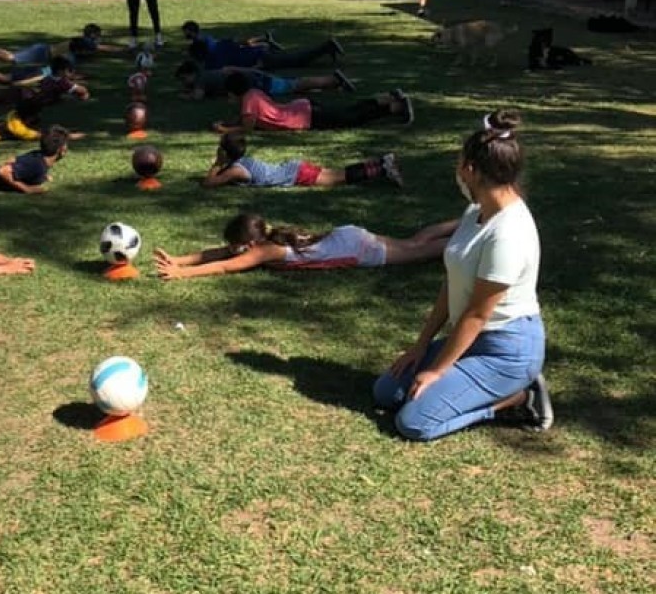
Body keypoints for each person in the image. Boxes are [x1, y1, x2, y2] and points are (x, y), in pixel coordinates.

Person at [372, 109, 553, 441]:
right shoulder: (476, 211)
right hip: (470, 339)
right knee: (386, 392)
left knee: (414, 422)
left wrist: (435, 370)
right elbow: (453, 280)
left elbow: (478, 313)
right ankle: (462, 382)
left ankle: (518, 398)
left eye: (459, 164)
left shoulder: (509, 233)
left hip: (505, 350)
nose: (457, 172)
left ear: (471, 170)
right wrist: (420, 346)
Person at [154, 213, 457, 280]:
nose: (233, 250)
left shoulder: (263, 251)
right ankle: (466, 219)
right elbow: (220, 253)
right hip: (348, 235)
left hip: (356, 250)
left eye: (238, 246)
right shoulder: (265, 237)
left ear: (251, 243)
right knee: (414, 241)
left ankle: (469, 241)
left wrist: (183, 274)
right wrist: (179, 260)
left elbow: (224, 265)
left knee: (418, 251)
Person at [212, 73, 413, 133]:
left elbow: (247, 127)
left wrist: (224, 129)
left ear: (233, 92)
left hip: (304, 118)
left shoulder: (247, 102)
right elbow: (246, 118)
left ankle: (394, 107)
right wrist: (230, 121)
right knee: (347, 111)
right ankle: (387, 97)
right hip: (302, 107)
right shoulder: (253, 93)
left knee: (351, 118)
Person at [202, 131, 404, 189]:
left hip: (297, 174)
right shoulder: (241, 162)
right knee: (338, 173)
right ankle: (381, 162)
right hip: (295, 167)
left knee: (339, 178)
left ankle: (383, 169)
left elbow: (209, 183)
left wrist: (217, 163)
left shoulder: (235, 170)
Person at [0, 23, 122, 77]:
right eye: (97, 36)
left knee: (15, 64)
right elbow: (105, 49)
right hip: (42, 52)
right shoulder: (85, 42)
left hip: (45, 56)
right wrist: (125, 50)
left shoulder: (82, 44)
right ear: (92, 35)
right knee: (12, 59)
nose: (98, 39)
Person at [175, 59, 356, 100]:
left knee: (295, 85)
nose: (184, 83)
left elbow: (198, 97)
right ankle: (334, 85)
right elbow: (230, 68)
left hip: (259, 84)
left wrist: (184, 96)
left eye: (184, 79)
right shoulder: (208, 74)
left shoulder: (200, 79)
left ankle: (333, 80)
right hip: (257, 78)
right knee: (295, 86)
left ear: (191, 74)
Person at [188, 35, 343, 72]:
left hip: (260, 60)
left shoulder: (213, 63)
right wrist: (260, 42)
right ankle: (326, 48)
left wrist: (255, 68)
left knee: (296, 60)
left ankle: (327, 47)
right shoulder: (219, 44)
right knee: (292, 57)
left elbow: (232, 69)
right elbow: (241, 42)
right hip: (259, 52)